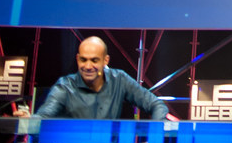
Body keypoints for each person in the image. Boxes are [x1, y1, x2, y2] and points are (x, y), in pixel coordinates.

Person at [12, 36, 168, 120]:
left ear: (105, 61)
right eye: (83, 60)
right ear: (77, 58)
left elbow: (157, 105)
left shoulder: (119, 79)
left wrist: (152, 138)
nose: (87, 66)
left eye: (94, 60)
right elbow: (45, 114)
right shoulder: (65, 86)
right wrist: (31, 121)